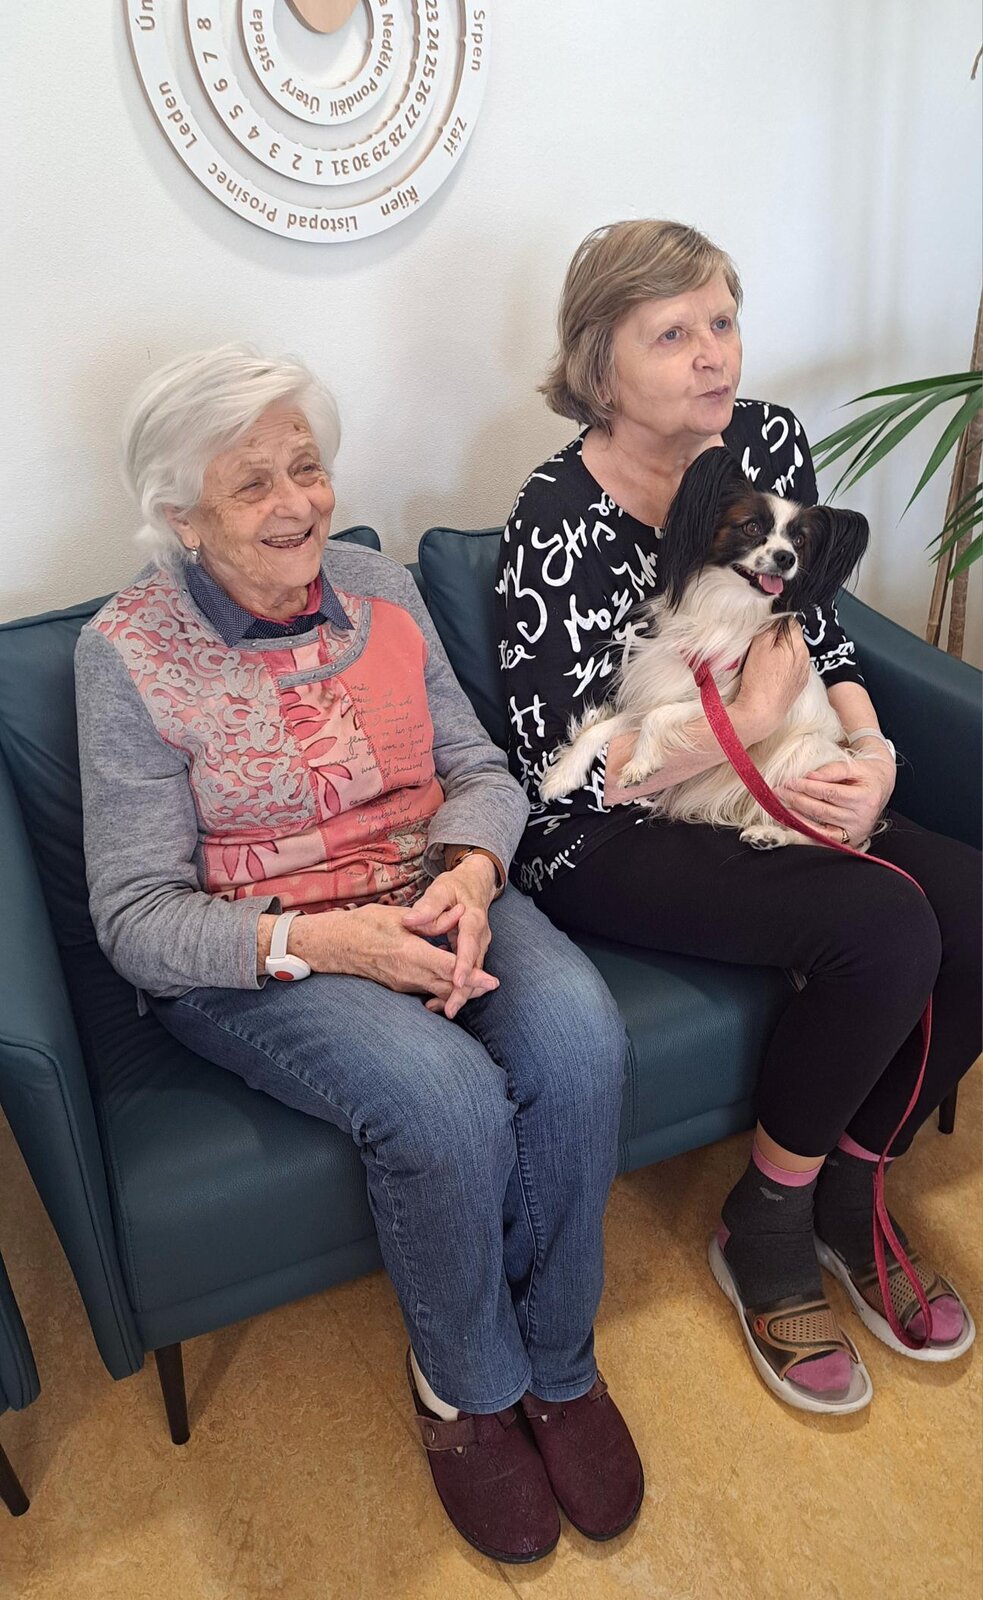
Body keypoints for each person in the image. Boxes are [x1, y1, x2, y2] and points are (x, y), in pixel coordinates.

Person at [75, 345, 642, 1560]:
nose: (297, 503)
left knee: (581, 1037)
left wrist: (470, 875)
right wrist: (333, 941)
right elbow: (134, 916)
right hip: (262, 944)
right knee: (443, 1100)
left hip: (429, 884)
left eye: (306, 467)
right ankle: (466, 1388)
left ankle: (558, 1360)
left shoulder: (380, 586)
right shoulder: (125, 655)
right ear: (181, 517)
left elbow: (479, 769)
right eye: (251, 484)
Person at [496, 221, 980, 1413]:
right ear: (599, 366)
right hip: (612, 833)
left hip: (772, 766)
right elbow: (556, 770)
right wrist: (743, 720)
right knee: (882, 926)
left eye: (721, 321)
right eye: (672, 334)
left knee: (973, 907)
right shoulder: (551, 516)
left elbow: (819, 628)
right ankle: (762, 1222)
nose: (714, 353)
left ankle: (850, 1184)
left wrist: (870, 753)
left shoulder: (764, 438)